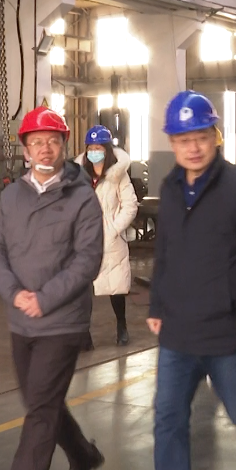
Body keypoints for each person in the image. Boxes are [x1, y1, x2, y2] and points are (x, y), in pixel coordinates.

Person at [147, 90, 236, 470]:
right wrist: (157, 305)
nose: (193, 148)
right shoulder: (169, 189)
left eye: (201, 137)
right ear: (172, 143)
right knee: (168, 418)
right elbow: (165, 251)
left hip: (229, 331)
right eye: (184, 140)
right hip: (178, 332)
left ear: (215, 136)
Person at [0, 106, 106, 470]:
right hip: (21, 319)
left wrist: (45, 298)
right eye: (37, 142)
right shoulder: (11, 197)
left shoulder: (82, 198)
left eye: (53, 141)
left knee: (40, 409)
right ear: (26, 149)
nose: (45, 149)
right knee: (41, 401)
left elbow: (87, 260)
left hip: (62, 321)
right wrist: (14, 293)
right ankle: (83, 455)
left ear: (64, 146)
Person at [76, 125, 139, 348]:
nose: (94, 152)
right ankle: (84, 334)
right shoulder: (79, 176)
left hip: (110, 239)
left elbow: (130, 205)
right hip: (85, 239)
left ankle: (121, 326)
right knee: (82, 289)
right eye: (91, 148)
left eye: (99, 148)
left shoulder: (117, 175)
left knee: (116, 286)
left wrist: (113, 229)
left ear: (107, 150)